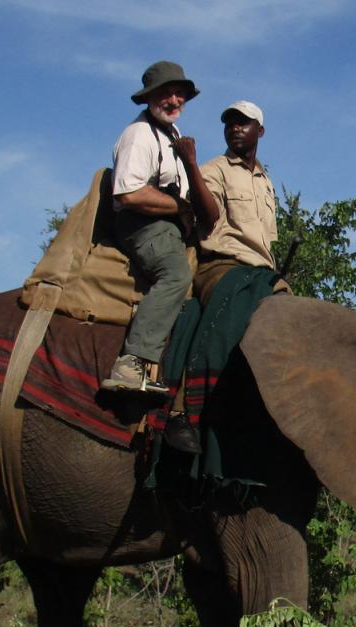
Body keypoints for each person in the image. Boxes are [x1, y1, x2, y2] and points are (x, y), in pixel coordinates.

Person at [103, 61, 218, 393]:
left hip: (172, 229)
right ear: (150, 98)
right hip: (144, 226)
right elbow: (129, 193)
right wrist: (181, 207)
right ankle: (131, 362)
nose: (174, 100)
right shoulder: (138, 135)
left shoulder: (174, 135)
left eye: (179, 94)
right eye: (166, 93)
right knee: (177, 275)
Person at [194, 100, 285, 300]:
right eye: (229, 125)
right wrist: (190, 164)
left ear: (260, 131)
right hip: (223, 266)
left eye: (242, 123)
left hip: (264, 271)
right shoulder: (213, 169)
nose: (234, 128)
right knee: (237, 306)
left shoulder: (266, 182)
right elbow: (206, 216)